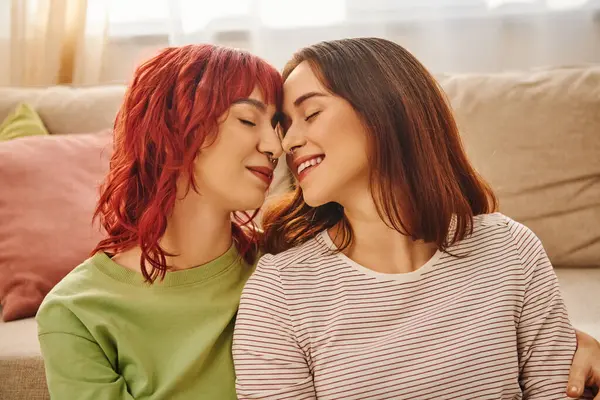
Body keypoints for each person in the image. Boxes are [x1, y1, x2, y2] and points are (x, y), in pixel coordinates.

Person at [232, 37, 598, 399]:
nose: (286, 143)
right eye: (286, 125)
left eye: (311, 114)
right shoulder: (280, 291)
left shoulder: (511, 249)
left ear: (387, 110)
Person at [36, 44, 283, 400]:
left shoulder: (284, 261)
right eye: (248, 120)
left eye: (278, 126)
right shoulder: (75, 311)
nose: (275, 147)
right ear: (173, 127)